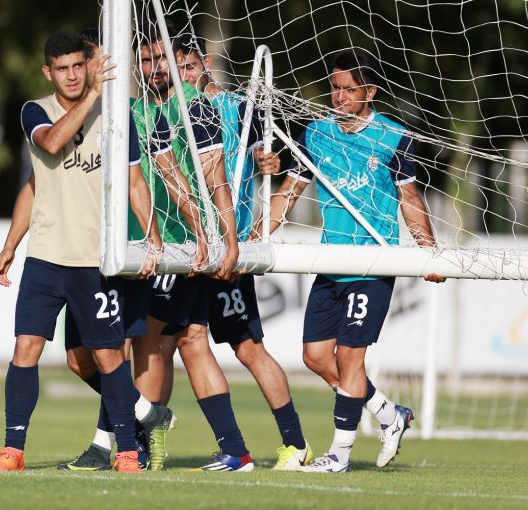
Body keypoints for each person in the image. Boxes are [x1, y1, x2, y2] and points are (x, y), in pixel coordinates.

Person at [255, 48, 445, 473]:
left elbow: (410, 198)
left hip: (373, 264)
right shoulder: (315, 133)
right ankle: (389, 414)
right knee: (315, 356)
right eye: (334, 88)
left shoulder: (394, 137)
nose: (339, 97)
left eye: (348, 89)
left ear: (370, 92)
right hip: (332, 260)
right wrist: (254, 236)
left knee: (349, 357)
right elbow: (290, 191)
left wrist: (428, 253)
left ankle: (339, 455)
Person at [0, 31, 152, 474]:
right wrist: (10, 246)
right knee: (26, 348)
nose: (72, 75)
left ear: (87, 64)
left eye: (79, 65)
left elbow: (135, 184)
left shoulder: (117, 117)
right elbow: (46, 160)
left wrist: (152, 238)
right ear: (48, 72)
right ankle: (13, 451)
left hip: (94, 260)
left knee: (105, 357)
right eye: (62, 69)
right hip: (45, 256)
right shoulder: (34, 111)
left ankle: (127, 451)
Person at [58, 28, 207, 472]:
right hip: (80, 251)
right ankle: (146, 414)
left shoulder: (138, 115)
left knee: (127, 347)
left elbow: (162, 175)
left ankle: (116, 445)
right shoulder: (67, 115)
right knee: (79, 359)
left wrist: (192, 231)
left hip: (130, 249)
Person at [175, 33, 313, 471]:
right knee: (182, 341)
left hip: (227, 244)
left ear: (206, 62)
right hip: (187, 241)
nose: (184, 76)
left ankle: (292, 443)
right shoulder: (169, 109)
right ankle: (225, 447)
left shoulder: (238, 107)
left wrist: (269, 161)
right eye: (177, 70)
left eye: (189, 67)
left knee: (246, 347)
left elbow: (262, 155)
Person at [132, 19, 254, 472]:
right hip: (157, 241)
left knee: (149, 340)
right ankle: (234, 449)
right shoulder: (133, 110)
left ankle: (138, 444)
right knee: (191, 341)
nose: (154, 68)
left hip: (181, 244)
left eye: (160, 59)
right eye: (146, 60)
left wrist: (228, 239)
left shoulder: (195, 107)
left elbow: (215, 176)